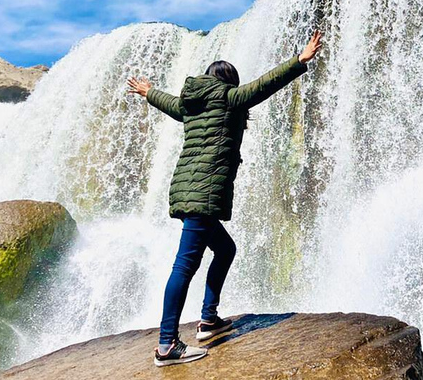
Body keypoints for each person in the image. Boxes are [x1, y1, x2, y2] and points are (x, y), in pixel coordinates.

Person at [127, 30, 323, 367]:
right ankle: (167, 345)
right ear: (228, 82)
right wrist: (299, 61)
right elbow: (265, 85)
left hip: (187, 191)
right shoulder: (230, 98)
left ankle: (208, 319)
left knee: (225, 249)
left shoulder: (192, 105)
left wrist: (148, 92)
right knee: (185, 265)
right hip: (204, 193)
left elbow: (171, 104)